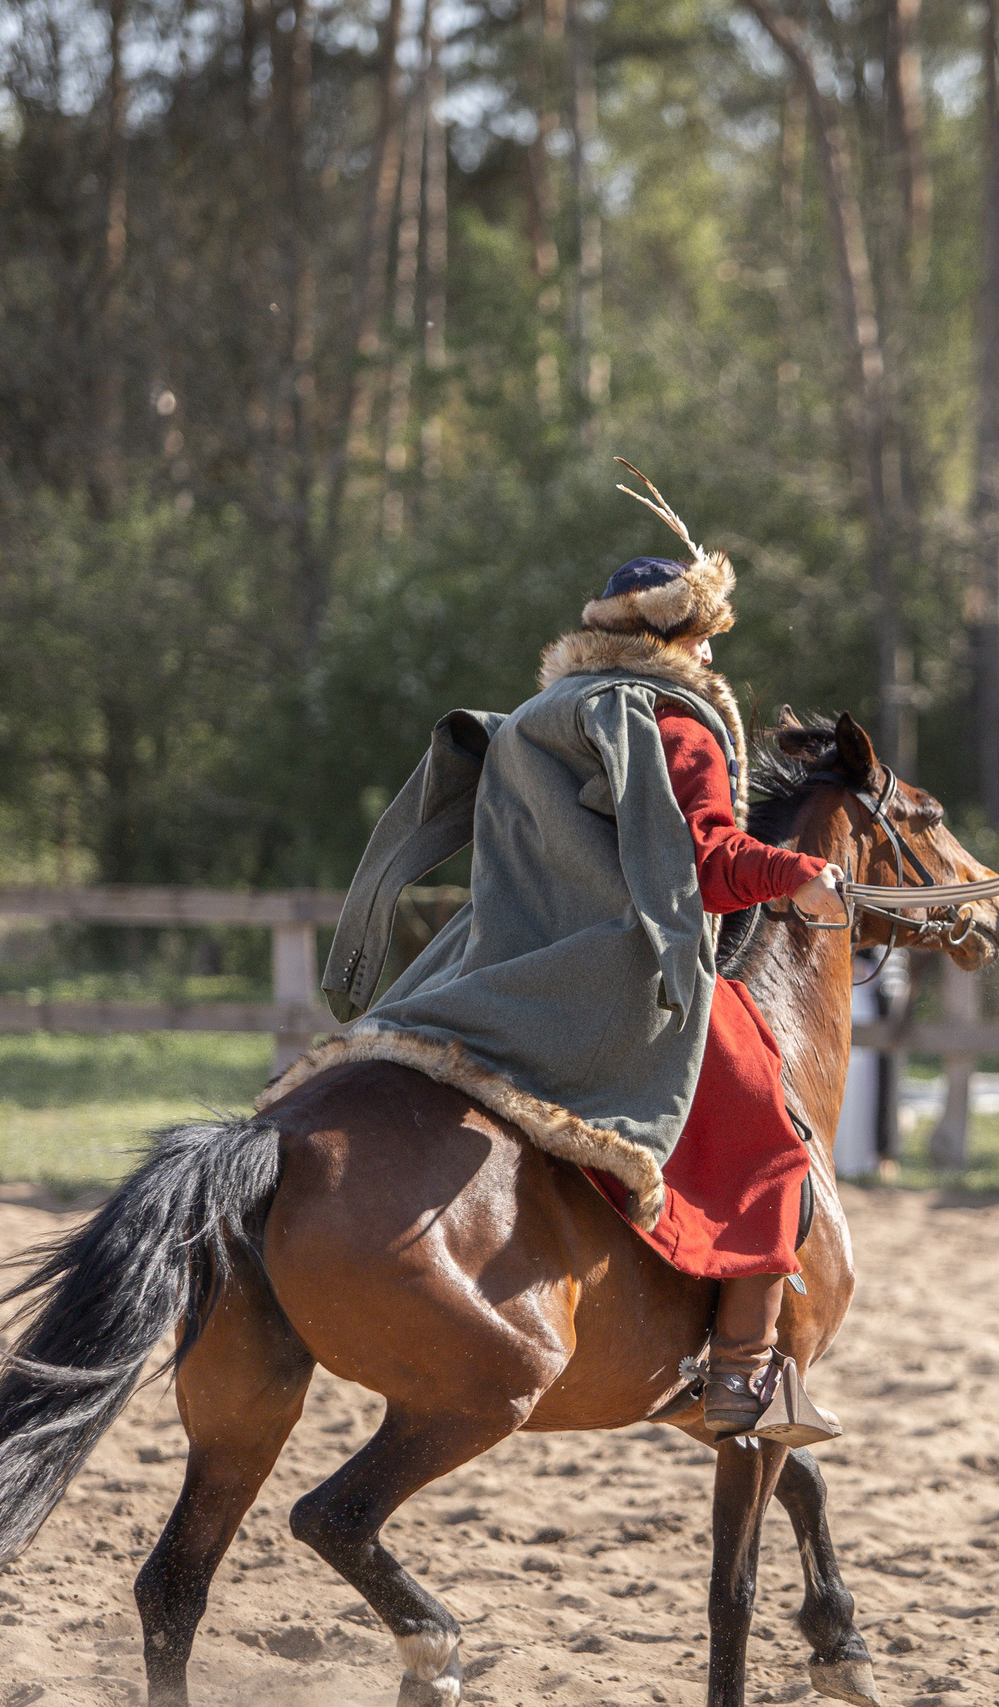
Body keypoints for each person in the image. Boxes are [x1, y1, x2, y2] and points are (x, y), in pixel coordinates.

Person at [297, 481, 846, 1441]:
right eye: (705, 636)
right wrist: (802, 875)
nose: (714, 653)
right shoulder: (675, 724)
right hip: (620, 970)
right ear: (670, 639)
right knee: (771, 1134)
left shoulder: (546, 711)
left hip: (506, 964)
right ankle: (745, 1374)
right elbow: (708, 864)